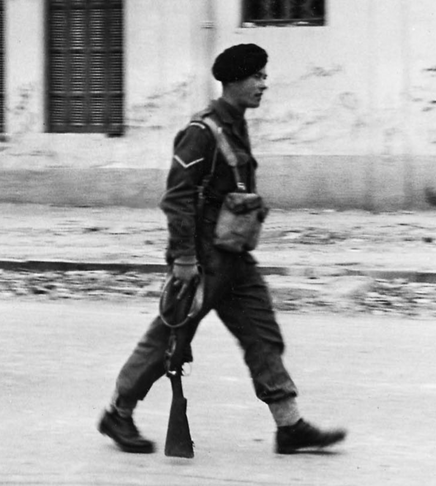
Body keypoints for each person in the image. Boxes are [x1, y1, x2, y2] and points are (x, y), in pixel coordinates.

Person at [98, 44, 347, 454]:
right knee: (167, 341)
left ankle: (290, 427)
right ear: (234, 81)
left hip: (234, 257)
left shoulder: (235, 124)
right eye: (257, 77)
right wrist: (183, 260)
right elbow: (177, 198)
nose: (264, 84)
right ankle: (118, 414)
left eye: (264, 76)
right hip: (202, 260)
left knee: (262, 334)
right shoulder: (202, 132)